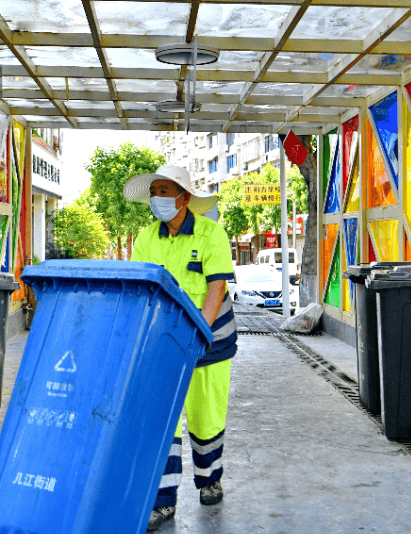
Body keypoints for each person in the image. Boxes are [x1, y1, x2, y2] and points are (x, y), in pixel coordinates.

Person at [123, 165, 238, 532]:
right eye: (154, 191)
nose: (157, 197)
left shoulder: (211, 233)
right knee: (163, 422)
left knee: (206, 416)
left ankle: (209, 480)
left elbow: (216, 287)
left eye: (165, 190)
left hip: (210, 341)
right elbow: (143, 287)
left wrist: (200, 332)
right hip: (165, 342)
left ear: (184, 197)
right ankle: (162, 501)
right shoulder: (146, 238)